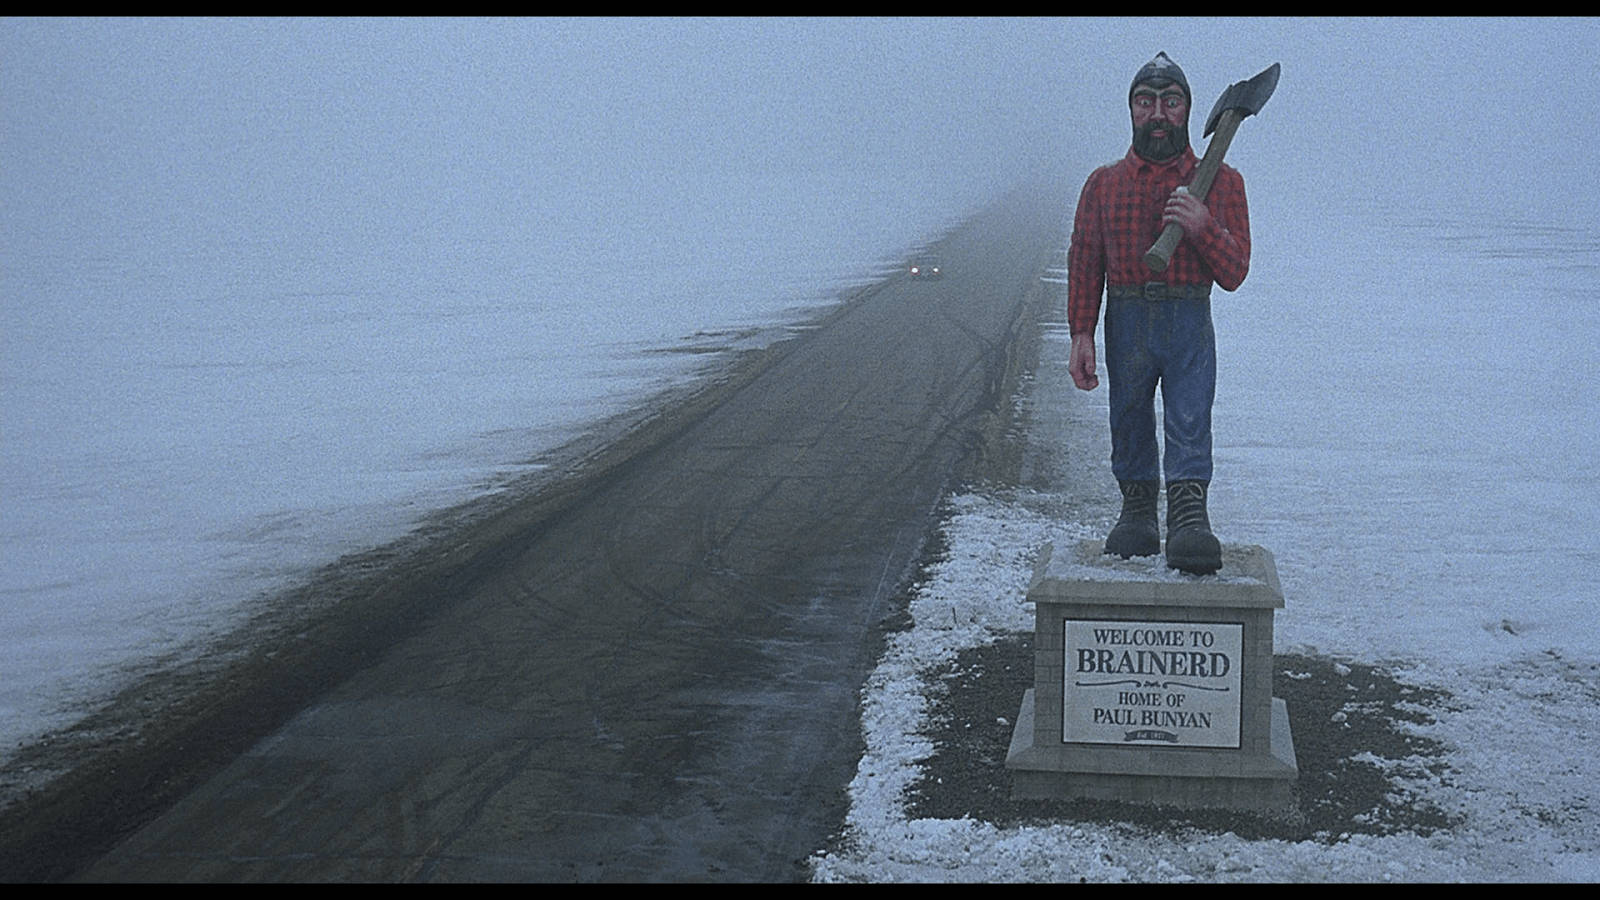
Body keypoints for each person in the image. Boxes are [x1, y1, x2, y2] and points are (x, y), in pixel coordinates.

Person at [1066, 51, 1251, 575]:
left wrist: (1201, 225)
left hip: (1189, 319)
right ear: (1131, 111)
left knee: (1190, 415)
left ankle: (1189, 514)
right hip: (1126, 316)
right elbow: (1085, 259)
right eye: (1145, 102)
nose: (1158, 114)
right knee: (1128, 415)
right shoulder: (1103, 185)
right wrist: (1081, 332)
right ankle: (1138, 508)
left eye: (1171, 102)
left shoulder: (1222, 183)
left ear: (1188, 111)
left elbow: (1235, 271)